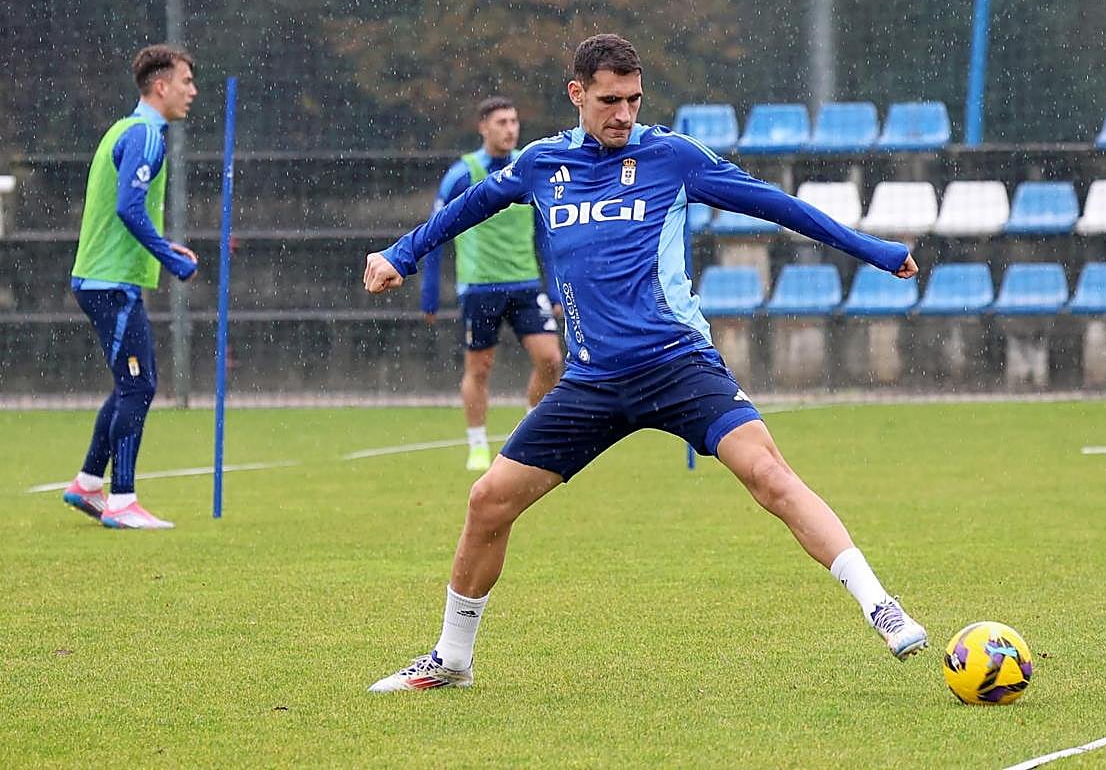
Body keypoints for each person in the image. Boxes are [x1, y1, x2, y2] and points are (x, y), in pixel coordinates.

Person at [362, 34, 927, 692]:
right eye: (608, 101)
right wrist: (399, 256)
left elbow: (778, 205)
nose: (623, 114)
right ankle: (452, 658)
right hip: (594, 381)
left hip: (677, 364)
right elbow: (469, 206)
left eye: (633, 100)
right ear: (577, 95)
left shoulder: (672, 158)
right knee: (488, 502)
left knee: (769, 474)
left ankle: (881, 604)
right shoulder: (543, 165)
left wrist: (874, 250)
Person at [61, 44, 199, 530]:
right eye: (185, 81)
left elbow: (128, 211)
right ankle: (122, 501)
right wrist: (168, 258)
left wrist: (165, 247)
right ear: (160, 86)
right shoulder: (145, 135)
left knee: (128, 385)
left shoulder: (126, 129)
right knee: (140, 387)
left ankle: (87, 484)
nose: (192, 91)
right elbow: (128, 208)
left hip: (103, 280)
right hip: (110, 283)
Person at [420, 97, 563, 471]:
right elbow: (435, 234)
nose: (510, 129)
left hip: (526, 284)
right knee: (479, 370)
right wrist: (430, 293)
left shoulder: (528, 168)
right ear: (483, 127)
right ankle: (478, 443)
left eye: (514, 121)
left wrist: (556, 287)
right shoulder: (463, 174)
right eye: (502, 122)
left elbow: (545, 233)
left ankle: (527, 430)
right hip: (480, 287)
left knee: (551, 361)